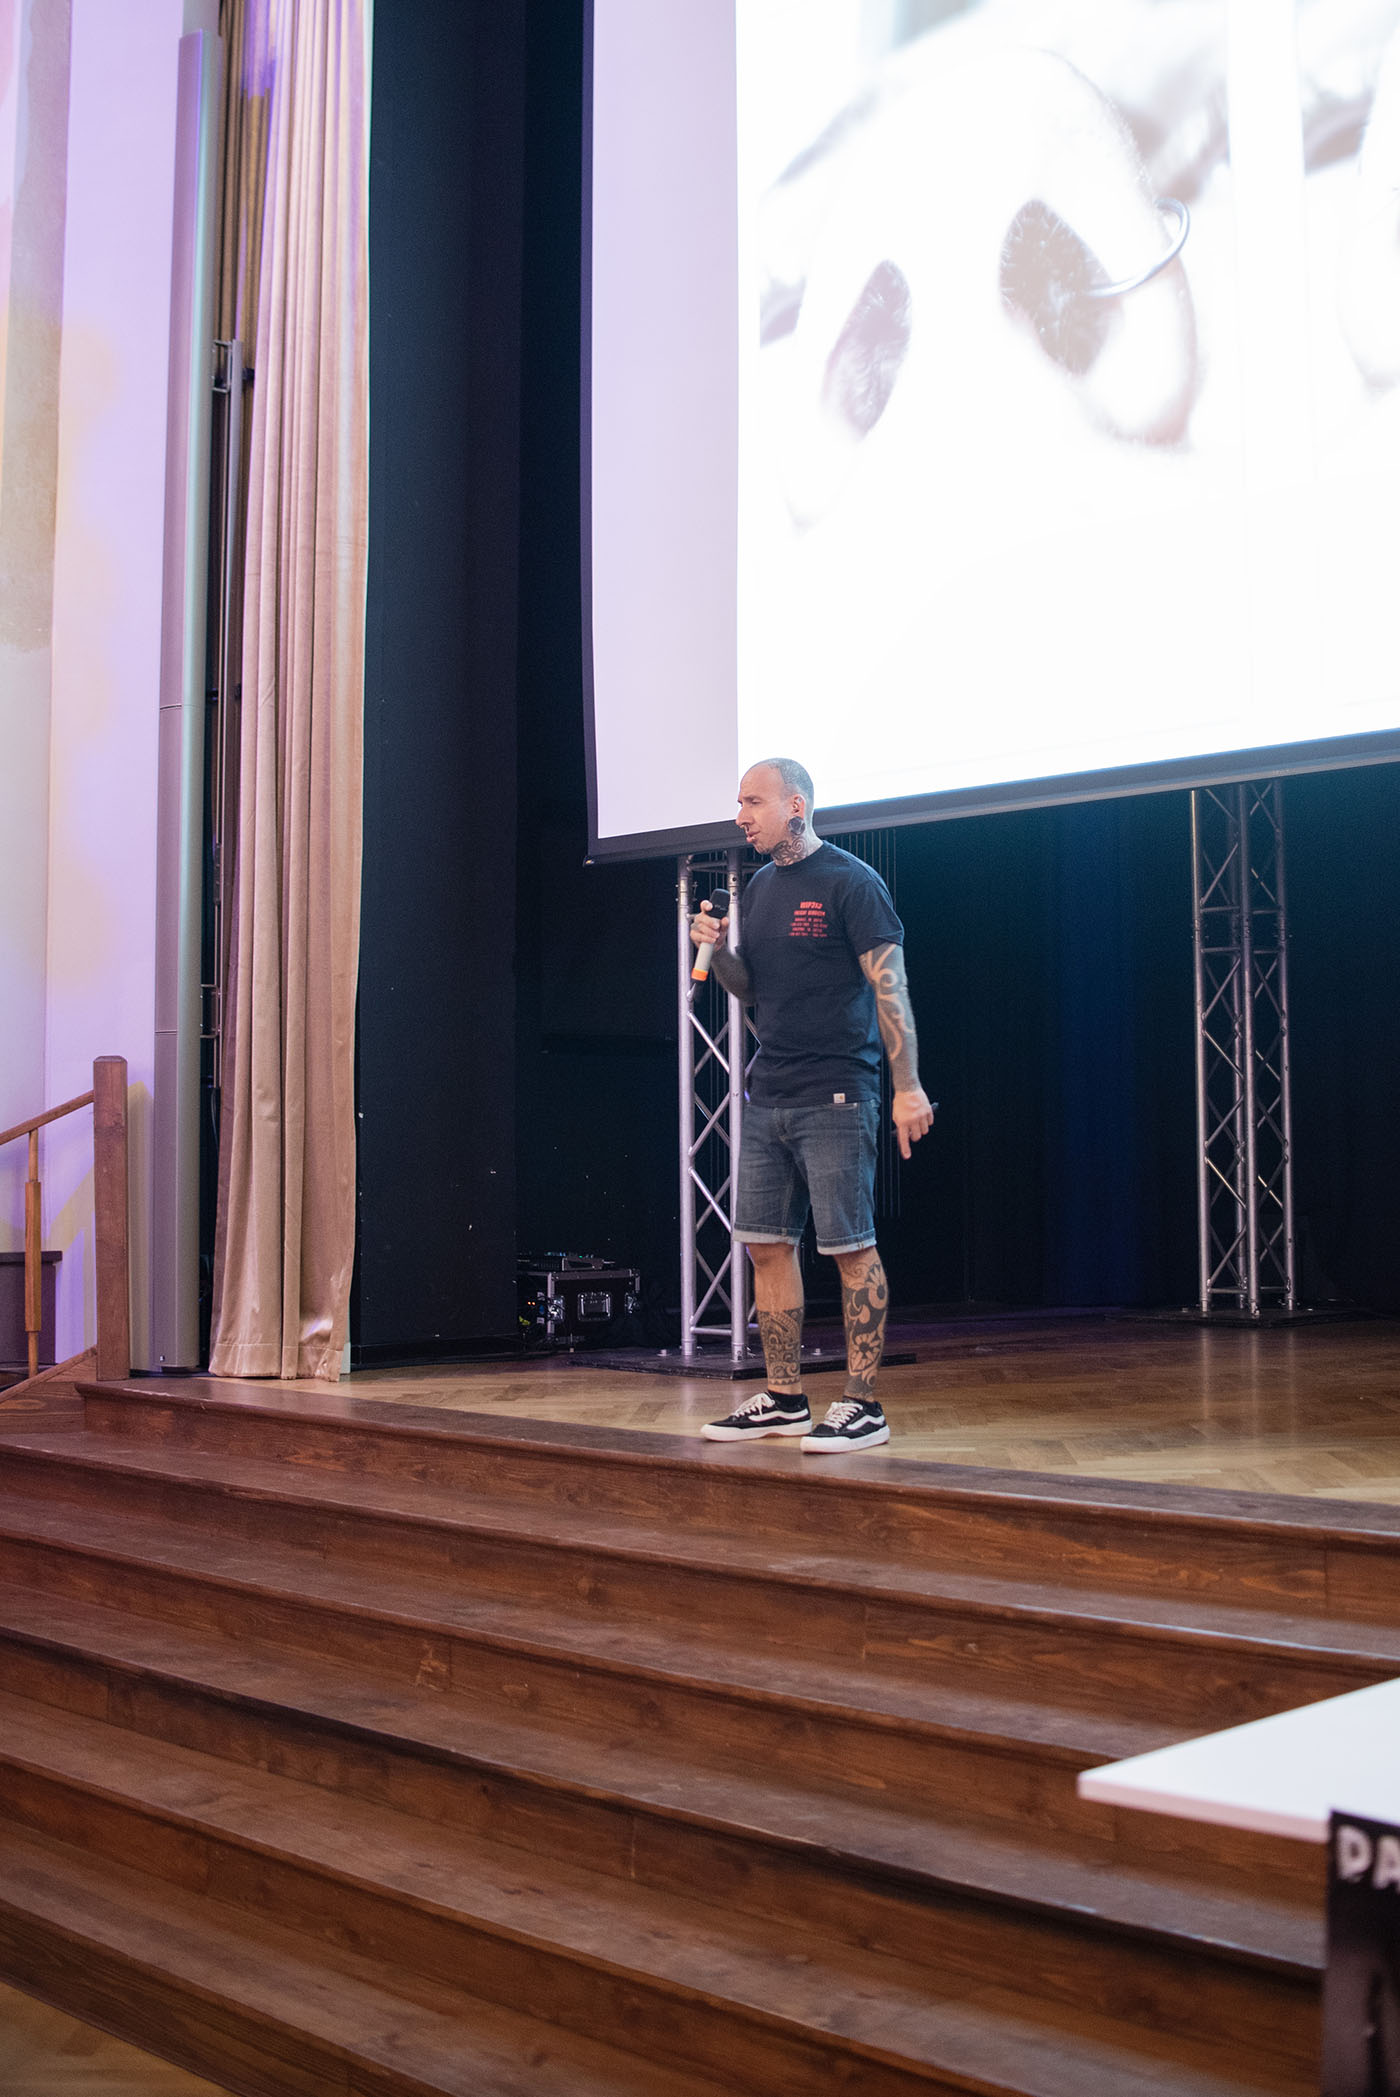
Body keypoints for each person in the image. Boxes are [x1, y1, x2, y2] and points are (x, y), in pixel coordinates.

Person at [694, 758, 934, 1452]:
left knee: (850, 1247)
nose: (741, 816)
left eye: (753, 802)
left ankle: (863, 1403)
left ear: (795, 806)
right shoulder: (759, 888)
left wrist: (908, 1086)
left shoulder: (852, 883)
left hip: (838, 1092)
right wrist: (717, 951)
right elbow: (751, 989)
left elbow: (891, 988)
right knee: (766, 1245)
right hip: (769, 1091)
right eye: (739, 802)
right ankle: (784, 1396)